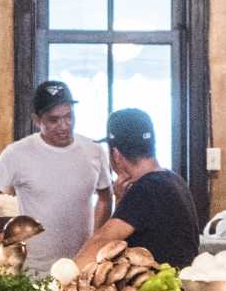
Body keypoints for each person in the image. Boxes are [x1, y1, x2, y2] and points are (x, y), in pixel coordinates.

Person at [0, 78, 108, 267]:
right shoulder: (16, 154)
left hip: (81, 266)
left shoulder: (94, 151)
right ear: (37, 120)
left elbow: (105, 197)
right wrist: (0, 238)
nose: (64, 125)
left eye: (69, 116)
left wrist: (95, 242)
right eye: (54, 120)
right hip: (32, 269)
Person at [80, 107, 200, 270]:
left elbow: (101, 242)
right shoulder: (173, 180)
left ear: (116, 155)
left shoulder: (146, 190)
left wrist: (57, 283)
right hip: (177, 289)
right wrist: (120, 200)